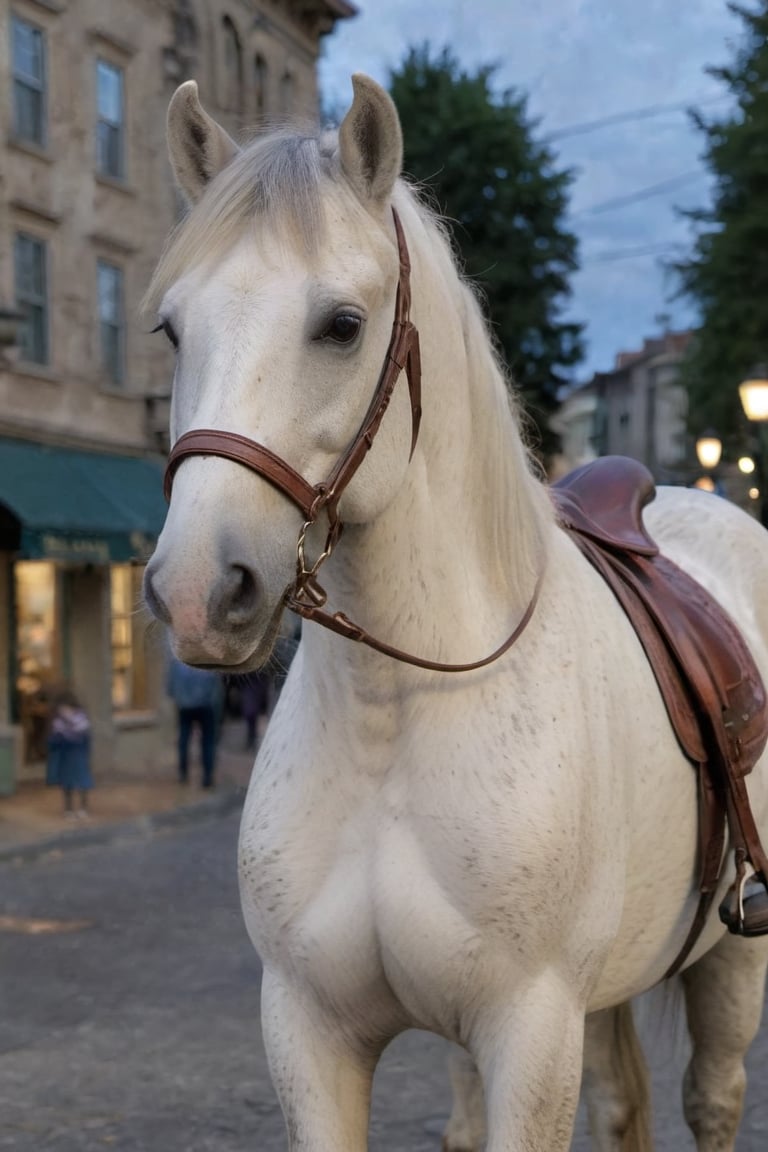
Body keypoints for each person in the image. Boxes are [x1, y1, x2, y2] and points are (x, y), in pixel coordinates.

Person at [167, 655, 223, 788]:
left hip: (186, 705)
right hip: (205, 705)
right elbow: (216, 687)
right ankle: (207, 776)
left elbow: (170, 685)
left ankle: (183, 773)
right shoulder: (208, 659)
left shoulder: (178, 660)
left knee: (185, 739)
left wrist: (178, 698)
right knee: (207, 741)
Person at [46, 685, 93, 819]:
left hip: (79, 756)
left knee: (82, 782)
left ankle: (83, 807)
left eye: (65, 708)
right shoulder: (58, 722)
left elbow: (83, 738)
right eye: (61, 709)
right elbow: (54, 741)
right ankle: (68, 809)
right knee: (67, 784)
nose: (63, 711)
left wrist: (67, 733)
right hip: (66, 758)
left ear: (72, 707)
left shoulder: (81, 719)